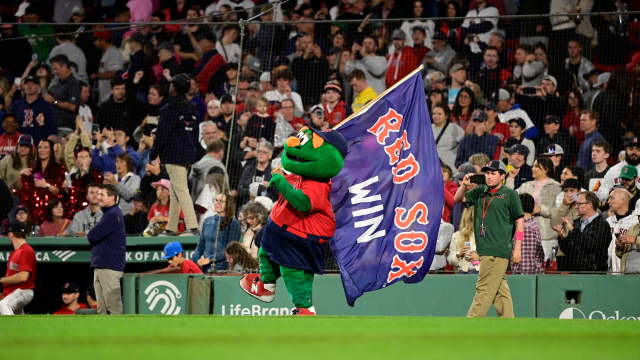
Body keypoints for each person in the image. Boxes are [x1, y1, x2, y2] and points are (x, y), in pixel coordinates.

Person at [454, 160, 524, 317]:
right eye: (487, 173)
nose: (489, 177)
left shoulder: (510, 194)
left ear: (502, 176)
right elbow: (458, 199)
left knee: (484, 287)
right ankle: (509, 323)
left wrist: (517, 248)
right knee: (500, 289)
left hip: (498, 248)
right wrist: (464, 185)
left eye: (493, 173)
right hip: (484, 248)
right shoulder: (479, 191)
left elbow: (520, 220)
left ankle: (472, 321)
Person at [149, 73, 200, 237]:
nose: (169, 87)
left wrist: (153, 153)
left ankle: (192, 227)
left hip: (173, 156)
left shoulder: (169, 109)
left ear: (174, 88)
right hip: (187, 156)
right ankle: (171, 228)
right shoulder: (192, 108)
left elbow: (161, 134)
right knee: (175, 190)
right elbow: (195, 135)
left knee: (181, 190)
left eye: (171, 85)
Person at [87, 184, 126, 315]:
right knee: (102, 310)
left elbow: (92, 236)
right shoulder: (108, 214)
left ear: (112, 198)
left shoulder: (112, 215)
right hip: (102, 266)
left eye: (102, 195)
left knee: (113, 309)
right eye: (98, 194)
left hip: (109, 267)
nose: (98, 197)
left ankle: (120, 335)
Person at [514, 158, 562, 260]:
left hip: (546, 235)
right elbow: (511, 198)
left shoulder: (556, 187)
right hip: (525, 233)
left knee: (545, 268)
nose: (533, 169)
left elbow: (559, 211)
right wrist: (510, 179)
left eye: (536, 167)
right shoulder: (526, 185)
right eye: (533, 166)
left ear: (546, 170)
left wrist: (541, 209)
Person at [553, 191, 611, 272]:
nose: (576, 207)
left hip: (594, 273)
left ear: (589, 205)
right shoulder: (576, 223)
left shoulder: (602, 224)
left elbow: (591, 244)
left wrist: (573, 230)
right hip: (576, 272)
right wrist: (562, 238)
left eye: (578, 204)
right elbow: (568, 251)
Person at [17, 139, 66, 224]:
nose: (42, 150)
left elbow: (62, 192)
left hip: (51, 214)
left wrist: (46, 185)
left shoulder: (59, 169)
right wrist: (19, 176)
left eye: (45, 147)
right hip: (33, 214)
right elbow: (19, 191)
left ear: (51, 151)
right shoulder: (32, 169)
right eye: (40, 147)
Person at [192, 193, 241, 272]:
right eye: (216, 200)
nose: (216, 203)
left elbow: (231, 250)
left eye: (221, 201)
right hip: (206, 267)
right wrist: (192, 262)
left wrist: (210, 259)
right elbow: (201, 246)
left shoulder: (233, 224)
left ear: (228, 204)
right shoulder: (208, 221)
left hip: (224, 268)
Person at [0, 221, 36, 315]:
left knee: (4, 304)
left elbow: (23, 276)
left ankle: (12, 330)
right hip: (14, 291)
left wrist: (1, 279)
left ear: (11, 234)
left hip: (24, 290)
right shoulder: (14, 253)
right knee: (18, 319)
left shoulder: (26, 250)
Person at [10, 75, 57, 145]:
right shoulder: (17, 105)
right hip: (20, 145)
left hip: (39, 145)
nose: (29, 86)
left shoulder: (46, 106)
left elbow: (52, 131)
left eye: (33, 84)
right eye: (27, 84)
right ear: (23, 87)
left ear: (39, 87)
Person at [46, 55, 82, 135]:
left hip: (67, 130)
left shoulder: (73, 83)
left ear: (64, 66)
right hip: (57, 127)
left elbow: (72, 106)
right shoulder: (60, 83)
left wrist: (54, 101)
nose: (54, 72)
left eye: (56, 69)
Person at [598, 138, 640, 205]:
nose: (634, 152)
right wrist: (612, 192)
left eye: (638, 149)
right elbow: (600, 193)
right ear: (626, 150)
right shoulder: (613, 170)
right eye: (631, 149)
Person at [606, 188, 637, 274]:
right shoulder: (607, 221)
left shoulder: (636, 221)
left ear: (622, 201)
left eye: (612, 198)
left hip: (629, 272)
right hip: (609, 273)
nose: (608, 201)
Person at [512, 193, 544, 274]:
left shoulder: (526, 229)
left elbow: (527, 259)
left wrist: (524, 280)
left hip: (525, 277)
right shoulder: (531, 223)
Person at [92, 30, 124, 104]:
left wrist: (96, 75)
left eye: (96, 40)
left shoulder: (114, 52)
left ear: (102, 40)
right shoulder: (105, 53)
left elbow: (114, 73)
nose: (95, 43)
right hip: (104, 97)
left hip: (111, 97)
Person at [432, 103, 464, 170]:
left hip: (449, 169)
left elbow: (465, 144)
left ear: (446, 115)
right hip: (431, 167)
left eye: (439, 114)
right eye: (434, 114)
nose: (436, 116)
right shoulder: (427, 128)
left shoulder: (454, 128)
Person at [447, 206, 479, 273]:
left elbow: (494, 258)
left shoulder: (485, 235)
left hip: (480, 273)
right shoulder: (457, 235)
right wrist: (459, 254)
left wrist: (480, 258)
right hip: (463, 273)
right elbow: (450, 260)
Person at [615, 199, 640, 274]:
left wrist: (635, 240)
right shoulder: (633, 228)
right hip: (628, 276)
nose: (639, 218)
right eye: (638, 215)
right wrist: (620, 247)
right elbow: (621, 254)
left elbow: (634, 240)